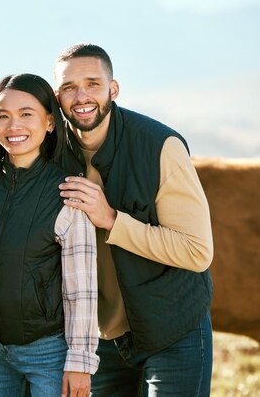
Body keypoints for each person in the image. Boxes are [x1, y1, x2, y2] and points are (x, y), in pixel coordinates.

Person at [54, 43, 214, 396]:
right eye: (69, 87)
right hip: (102, 339)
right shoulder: (51, 151)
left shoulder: (161, 146)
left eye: (93, 84)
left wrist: (112, 219)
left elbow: (197, 251)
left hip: (172, 328)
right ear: (58, 96)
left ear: (114, 89)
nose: (81, 96)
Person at [0, 73, 99, 397]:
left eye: (27, 114)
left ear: (50, 123)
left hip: (48, 354)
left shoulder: (68, 192)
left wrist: (80, 362)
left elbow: (82, 290)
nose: (14, 126)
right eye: (3, 116)